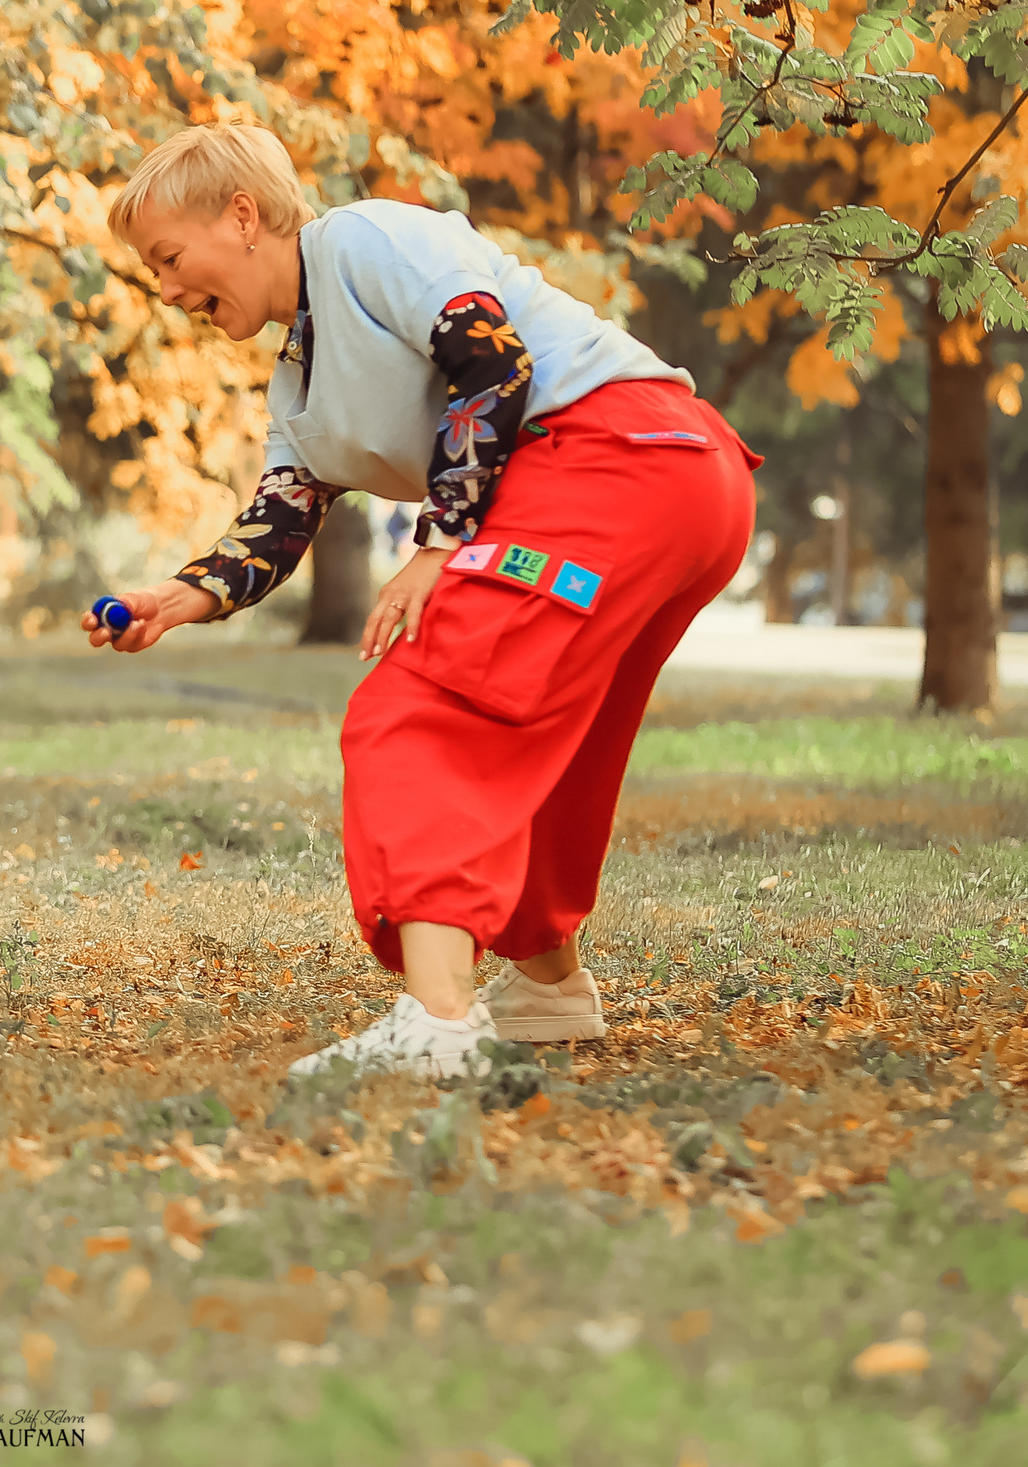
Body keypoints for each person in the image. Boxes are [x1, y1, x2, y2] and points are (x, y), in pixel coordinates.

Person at [86, 125, 760, 1079]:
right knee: (541, 726)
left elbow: (492, 359)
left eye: (166, 257)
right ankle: (548, 986)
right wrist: (180, 596)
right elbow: (283, 515)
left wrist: (439, 545)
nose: (163, 289)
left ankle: (439, 1018)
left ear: (242, 217)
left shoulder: (365, 241)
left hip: (618, 456)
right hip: (675, 484)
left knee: (422, 706)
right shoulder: (297, 375)